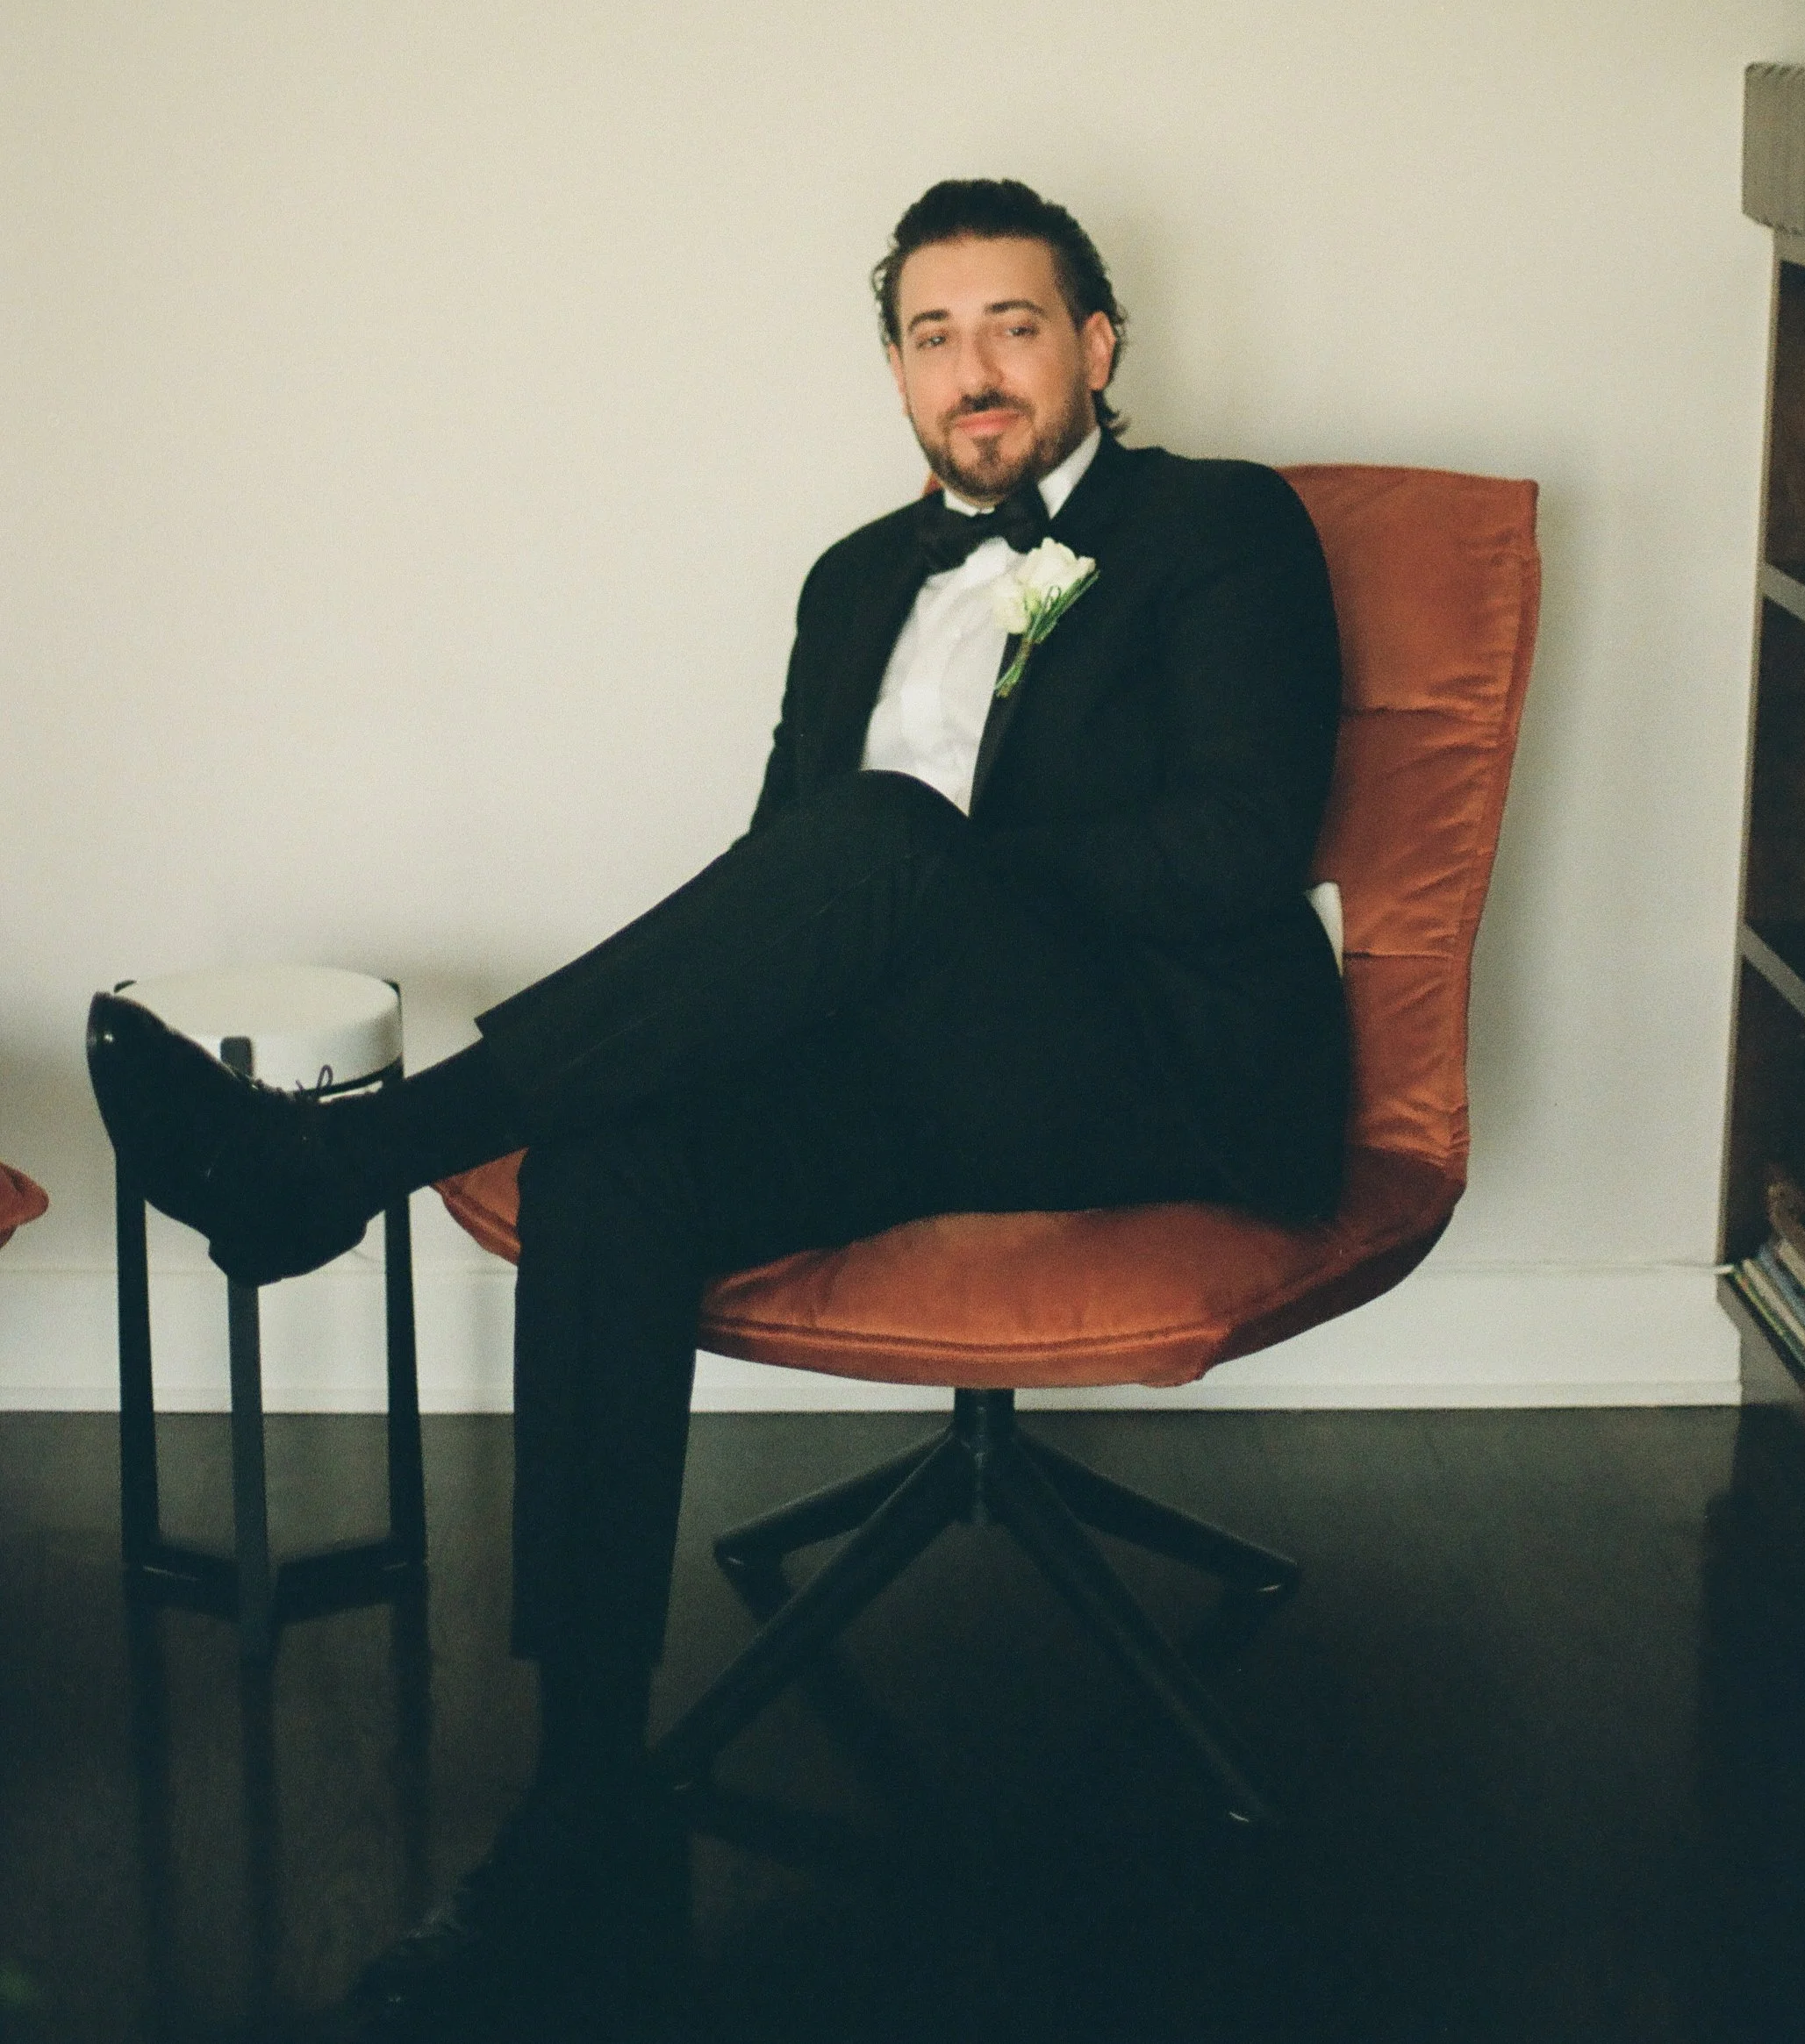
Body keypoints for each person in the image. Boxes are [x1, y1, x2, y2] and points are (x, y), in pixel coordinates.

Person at [87, 178, 1349, 2040]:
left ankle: (338, 1160)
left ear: (1096, 343)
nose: (972, 368)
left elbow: (1235, 845)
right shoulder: (853, 576)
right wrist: (847, 914)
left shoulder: (1219, 524)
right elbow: (785, 877)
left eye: (1012, 323)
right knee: (617, 1153)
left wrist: (938, 868)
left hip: (1137, 1069)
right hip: (909, 1067)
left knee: (887, 834)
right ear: (897, 374)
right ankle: (586, 1791)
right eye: (931, 335)